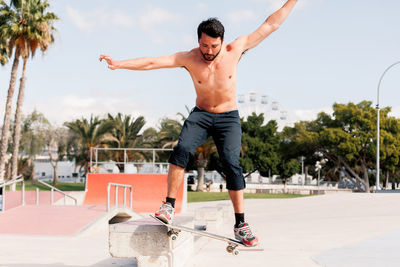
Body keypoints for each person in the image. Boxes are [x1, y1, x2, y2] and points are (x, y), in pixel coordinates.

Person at [100, 0, 297, 247]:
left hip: (228, 117)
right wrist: (119, 64)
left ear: (222, 42)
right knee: (181, 150)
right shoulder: (189, 58)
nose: (208, 51)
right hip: (201, 115)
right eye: (204, 45)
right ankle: (168, 206)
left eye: (213, 46)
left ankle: (241, 224)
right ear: (198, 42)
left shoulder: (235, 50)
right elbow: (152, 62)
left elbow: (272, 24)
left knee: (232, 164)